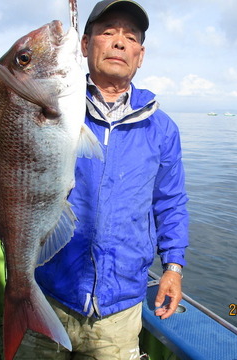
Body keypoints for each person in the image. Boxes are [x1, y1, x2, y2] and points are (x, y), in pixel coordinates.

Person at [17, 0, 189, 359]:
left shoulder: (162, 129)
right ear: (84, 45)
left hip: (120, 308)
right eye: (108, 32)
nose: (119, 42)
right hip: (50, 292)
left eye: (131, 37)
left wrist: (173, 266)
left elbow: (170, 201)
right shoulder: (53, 107)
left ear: (140, 55)